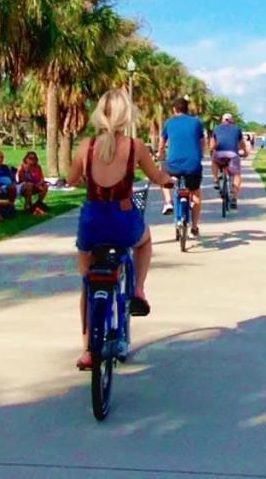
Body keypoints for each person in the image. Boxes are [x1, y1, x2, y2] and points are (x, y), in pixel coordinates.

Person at [68, 89, 175, 371]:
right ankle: (138, 289)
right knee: (144, 241)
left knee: (87, 285)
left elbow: (71, 178)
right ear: (126, 115)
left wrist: (87, 182)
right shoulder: (135, 146)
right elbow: (156, 176)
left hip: (92, 222)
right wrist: (168, 181)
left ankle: (87, 351)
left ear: (99, 114)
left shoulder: (85, 146)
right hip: (123, 220)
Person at [159, 97, 205, 235]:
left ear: (174, 109)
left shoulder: (169, 123)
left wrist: (160, 154)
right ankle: (194, 227)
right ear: (187, 109)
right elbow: (202, 142)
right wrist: (200, 155)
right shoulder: (196, 122)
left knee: (163, 175)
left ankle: (168, 201)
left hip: (173, 166)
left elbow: (162, 143)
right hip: (193, 165)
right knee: (195, 193)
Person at [211, 113, 248, 209]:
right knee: (236, 175)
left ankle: (215, 180)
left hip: (219, 154)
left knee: (214, 161)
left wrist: (212, 150)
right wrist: (245, 152)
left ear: (222, 120)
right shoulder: (236, 129)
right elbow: (241, 144)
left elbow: (212, 144)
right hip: (232, 154)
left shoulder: (216, 128)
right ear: (231, 121)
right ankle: (234, 199)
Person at [17, 151, 49, 215]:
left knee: (45, 186)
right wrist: (27, 170)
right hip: (24, 186)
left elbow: (42, 178)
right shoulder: (22, 167)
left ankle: (38, 204)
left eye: (34, 158)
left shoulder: (38, 167)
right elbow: (22, 180)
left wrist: (40, 183)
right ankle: (28, 205)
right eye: (30, 158)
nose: (32, 160)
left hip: (36, 185)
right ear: (26, 159)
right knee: (29, 186)